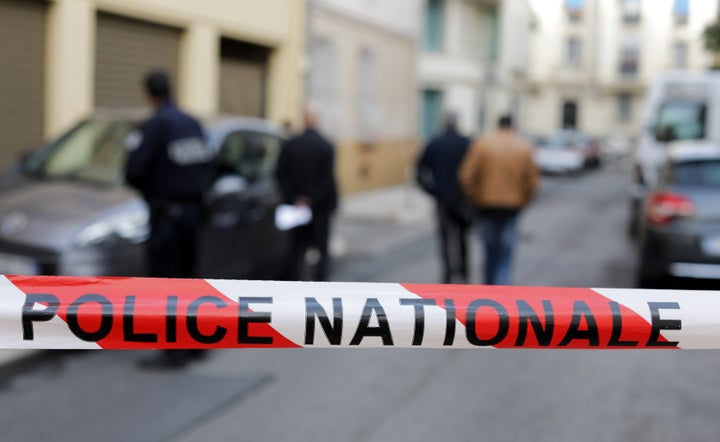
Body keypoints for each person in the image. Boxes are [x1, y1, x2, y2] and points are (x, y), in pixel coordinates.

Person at [125, 70, 213, 368]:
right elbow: (207, 165)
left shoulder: (155, 125)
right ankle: (196, 343)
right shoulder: (192, 122)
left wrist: (153, 193)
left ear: (148, 94)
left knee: (166, 284)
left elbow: (134, 170)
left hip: (167, 216)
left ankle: (173, 351)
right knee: (189, 280)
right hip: (192, 213)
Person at [459, 115, 539, 285]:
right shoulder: (523, 146)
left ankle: (489, 288)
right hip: (512, 206)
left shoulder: (483, 144)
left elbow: (466, 176)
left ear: (498, 126)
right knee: (506, 251)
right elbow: (532, 181)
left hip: (486, 205)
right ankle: (502, 290)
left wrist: (476, 197)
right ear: (512, 126)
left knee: (489, 250)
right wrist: (523, 200)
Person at [275, 108, 338, 281]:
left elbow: (281, 174)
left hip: (296, 208)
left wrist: (296, 198)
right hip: (318, 208)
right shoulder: (325, 145)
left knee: (296, 250)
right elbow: (327, 179)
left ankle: (294, 285)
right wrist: (310, 200)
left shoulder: (291, 144)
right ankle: (320, 285)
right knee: (321, 251)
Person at [416, 113, 472, 284]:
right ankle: (463, 274)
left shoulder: (435, 143)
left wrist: (432, 191)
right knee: (463, 238)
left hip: (443, 200)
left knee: (445, 238)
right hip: (463, 199)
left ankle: (447, 274)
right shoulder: (467, 143)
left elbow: (419, 172)